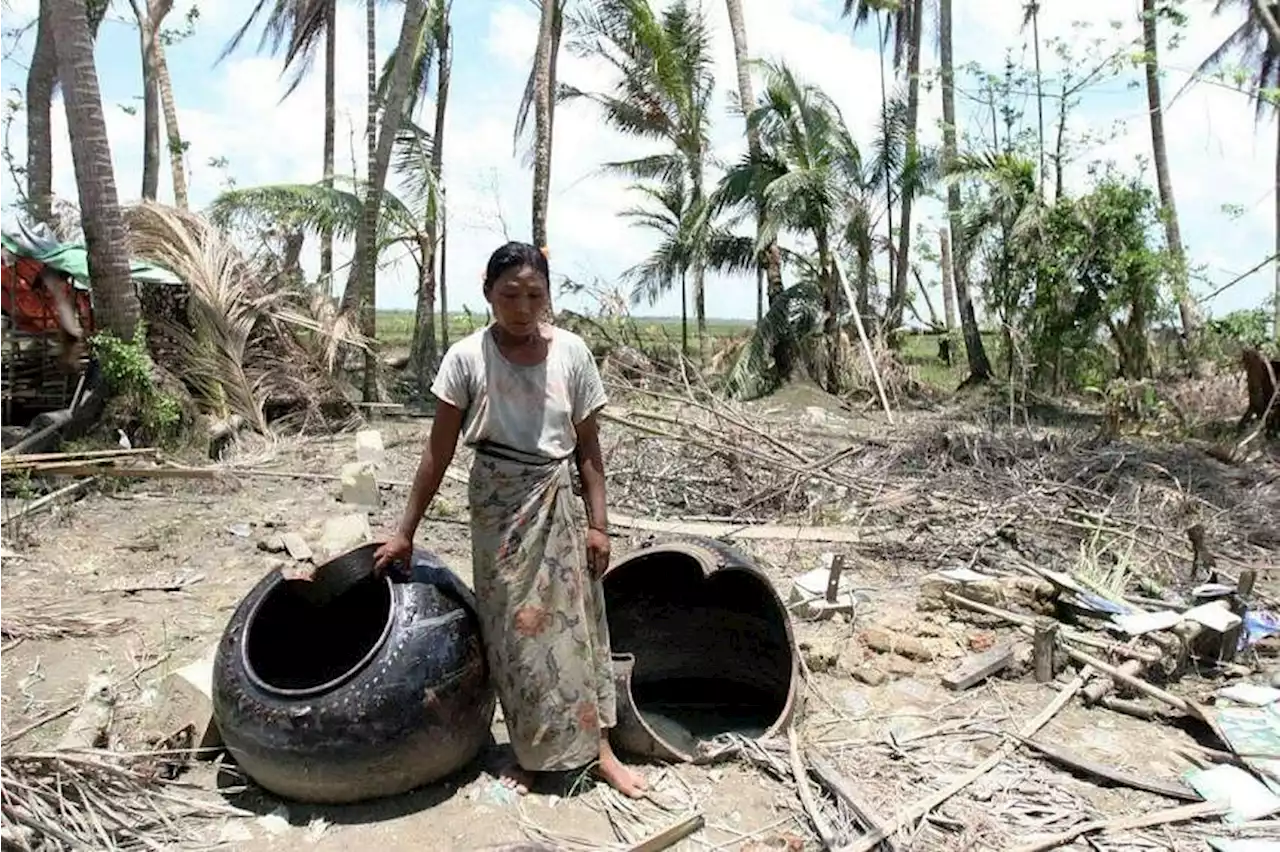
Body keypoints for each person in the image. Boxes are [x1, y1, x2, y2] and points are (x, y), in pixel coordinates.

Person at [373, 241, 648, 799]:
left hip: (557, 501)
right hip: (498, 506)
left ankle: (602, 754)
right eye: (510, 295)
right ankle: (530, 754)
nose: (523, 308)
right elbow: (437, 452)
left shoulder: (571, 353)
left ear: (548, 295)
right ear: (487, 293)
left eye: (534, 295)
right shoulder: (466, 359)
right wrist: (405, 531)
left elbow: (588, 451)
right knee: (514, 635)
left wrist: (600, 525)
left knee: (580, 631)